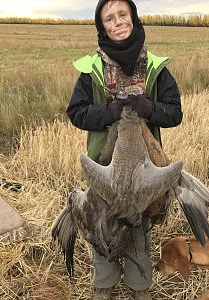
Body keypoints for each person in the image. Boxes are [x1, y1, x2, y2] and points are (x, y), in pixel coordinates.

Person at [66, 0, 182, 299]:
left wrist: (150, 108)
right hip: (104, 169)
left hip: (144, 169)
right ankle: (103, 283)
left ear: (133, 19)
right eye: (109, 18)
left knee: (138, 228)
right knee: (103, 226)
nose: (117, 22)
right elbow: (76, 113)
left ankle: (139, 286)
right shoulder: (91, 69)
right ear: (101, 26)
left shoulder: (156, 67)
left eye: (122, 15)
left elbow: (174, 113)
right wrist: (109, 112)